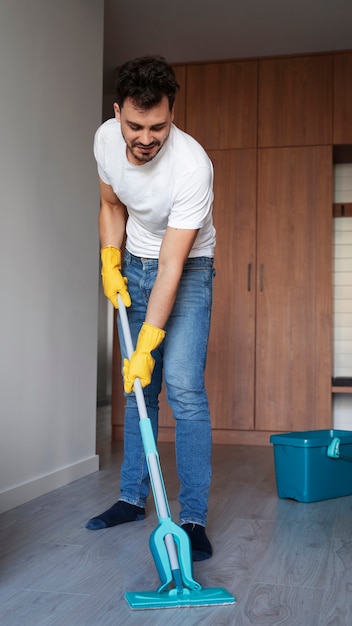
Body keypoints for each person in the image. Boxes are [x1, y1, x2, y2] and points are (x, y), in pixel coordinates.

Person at [86, 55, 216, 561]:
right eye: (135, 125)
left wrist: (148, 343)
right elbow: (111, 204)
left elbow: (172, 267)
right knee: (141, 391)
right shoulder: (103, 140)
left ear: (172, 115)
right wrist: (109, 259)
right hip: (134, 260)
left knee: (183, 389)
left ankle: (193, 518)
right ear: (118, 113)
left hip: (187, 270)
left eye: (157, 126)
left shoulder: (192, 167)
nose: (145, 138)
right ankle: (130, 499)